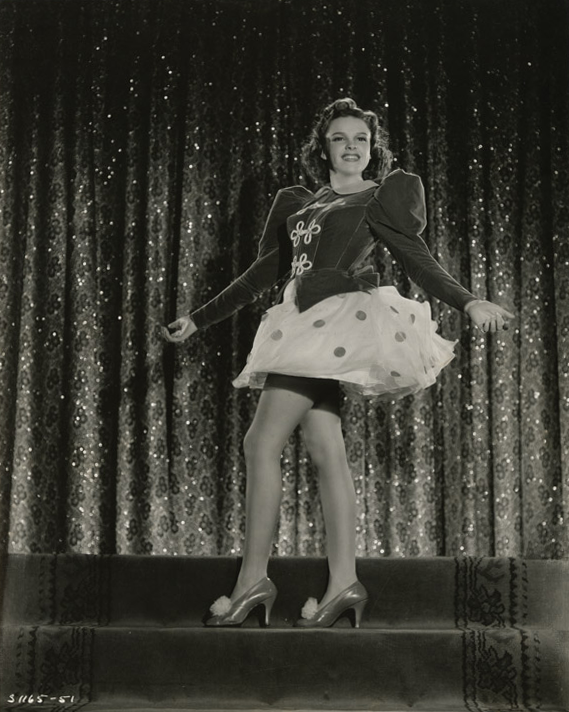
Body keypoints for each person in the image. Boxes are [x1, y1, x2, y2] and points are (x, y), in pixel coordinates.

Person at [163, 98, 514, 629]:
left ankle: (252, 580)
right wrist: (198, 318)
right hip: (301, 319)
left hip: (331, 324)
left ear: (372, 149)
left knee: (260, 443)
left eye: (361, 139)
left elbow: (417, 259)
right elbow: (264, 272)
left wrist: (468, 301)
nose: (351, 147)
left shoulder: (378, 198)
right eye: (340, 138)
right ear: (323, 148)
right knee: (326, 449)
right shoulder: (298, 202)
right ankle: (344, 581)